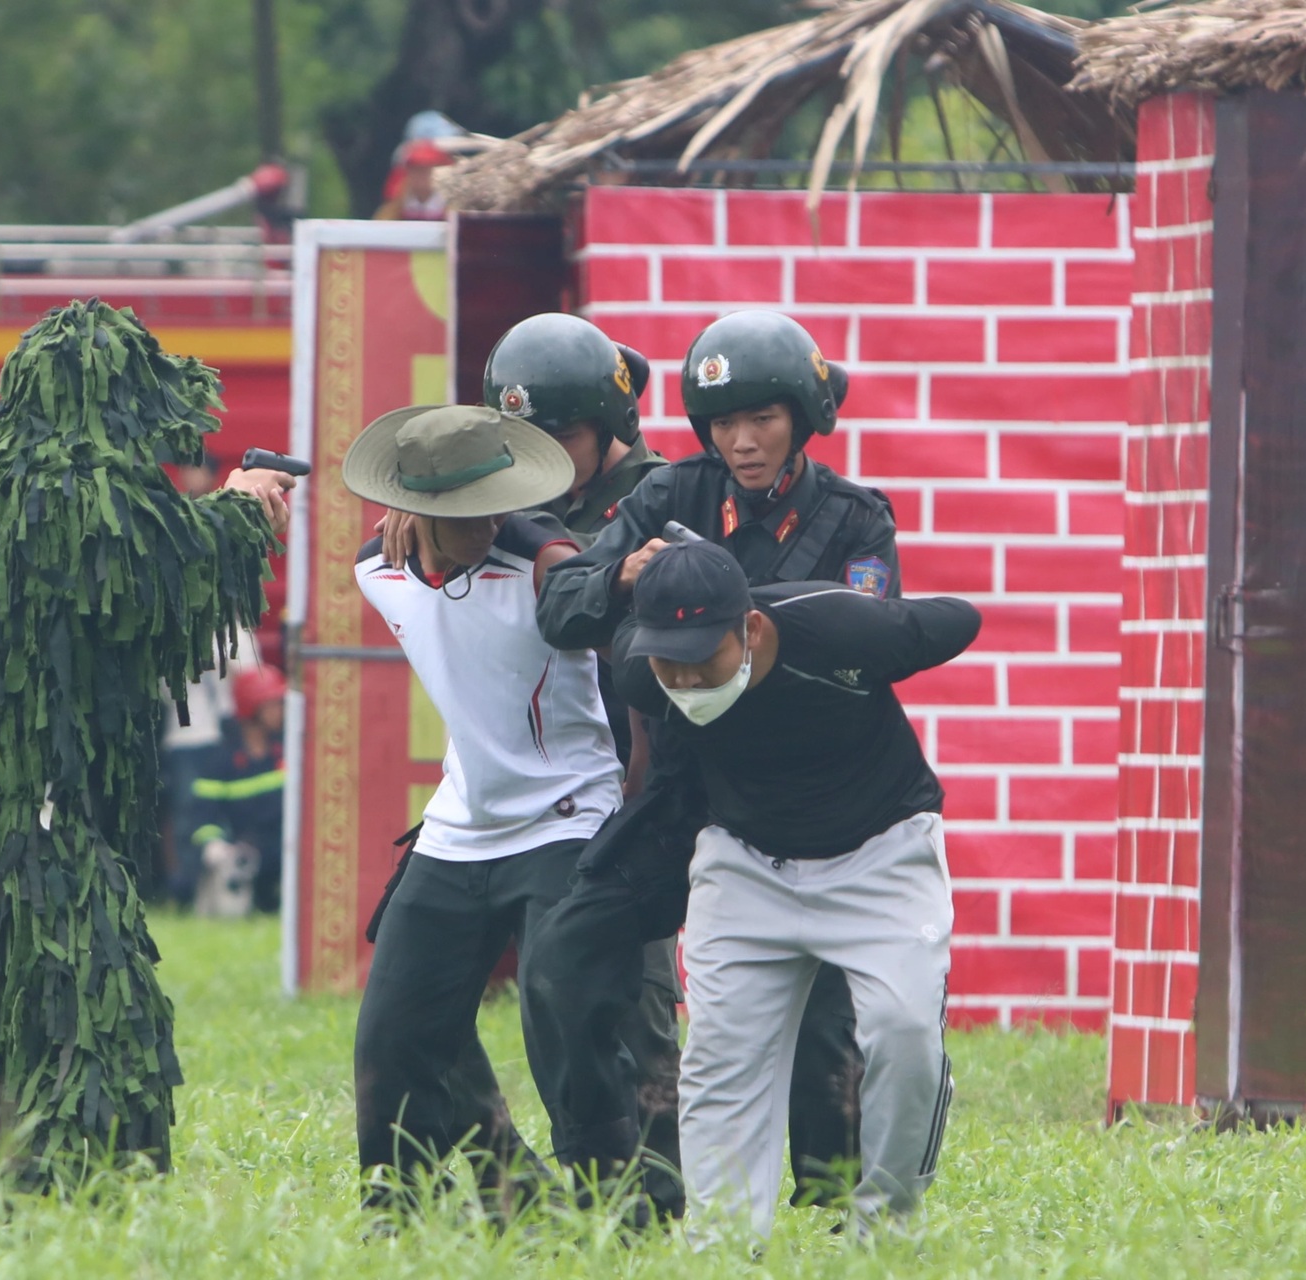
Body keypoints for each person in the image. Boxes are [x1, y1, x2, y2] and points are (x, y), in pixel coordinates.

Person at [0, 300, 282, 1189]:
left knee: (11, 1024)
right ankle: (69, 1197)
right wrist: (241, 513)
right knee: (104, 1016)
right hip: (32, 822)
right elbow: (152, 572)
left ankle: (3, 1192)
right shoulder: (71, 495)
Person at [529, 310, 901, 1209]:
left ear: (804, 415)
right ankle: (614, 1177)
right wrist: (626, 575)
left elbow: (873, 644)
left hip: (805, 798)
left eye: (763, 418)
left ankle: (824, 1213)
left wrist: (719, 602)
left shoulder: (856, 518)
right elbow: (565, 611)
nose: (741, 441)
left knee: (824, 1023)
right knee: (563, 965)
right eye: (723, 422)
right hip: (685, 789)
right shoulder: (670, 497)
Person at [380, 313, 683, 1212]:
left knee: (627, 1008)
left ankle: (647, 1213)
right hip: (514, 796)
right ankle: (522, 1196)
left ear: (607, 425)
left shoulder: (660, 495)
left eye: (562, 435)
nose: (543, 453)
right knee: (424, 1015)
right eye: (526, 437)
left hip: (643, 780)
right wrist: (428, 497)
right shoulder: (505, 496)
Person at [614, 540, 979, 1239]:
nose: (686, 681)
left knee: (906, 1040)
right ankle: (723, 1241)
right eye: (671, 662)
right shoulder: (642, 673)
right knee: (720, 1057)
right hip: (745, 864)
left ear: (749, 628)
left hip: (882, 857)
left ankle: (886, 1225)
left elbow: (960, 618)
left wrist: (872, 628)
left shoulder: (844, 629)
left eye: (703, 657)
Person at [343, 403, 621, 1218]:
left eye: (489, 506)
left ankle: (612, 1209)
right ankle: (405, 1216)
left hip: (569, 812)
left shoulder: (546, 561)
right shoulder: (375, 569)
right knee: (395, 1033)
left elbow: (596, 612)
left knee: (561, 1009)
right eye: (456, 514)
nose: (481, 525)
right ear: (415, 507)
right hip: (461, 821)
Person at [189, 663, 286, 916]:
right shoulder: (222, 760)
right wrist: (215, 846)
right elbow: (202, 816)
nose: (281, 712)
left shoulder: (287, 751)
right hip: (244, 854)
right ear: (252, 709)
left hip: (286, 848)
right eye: (273, 705)